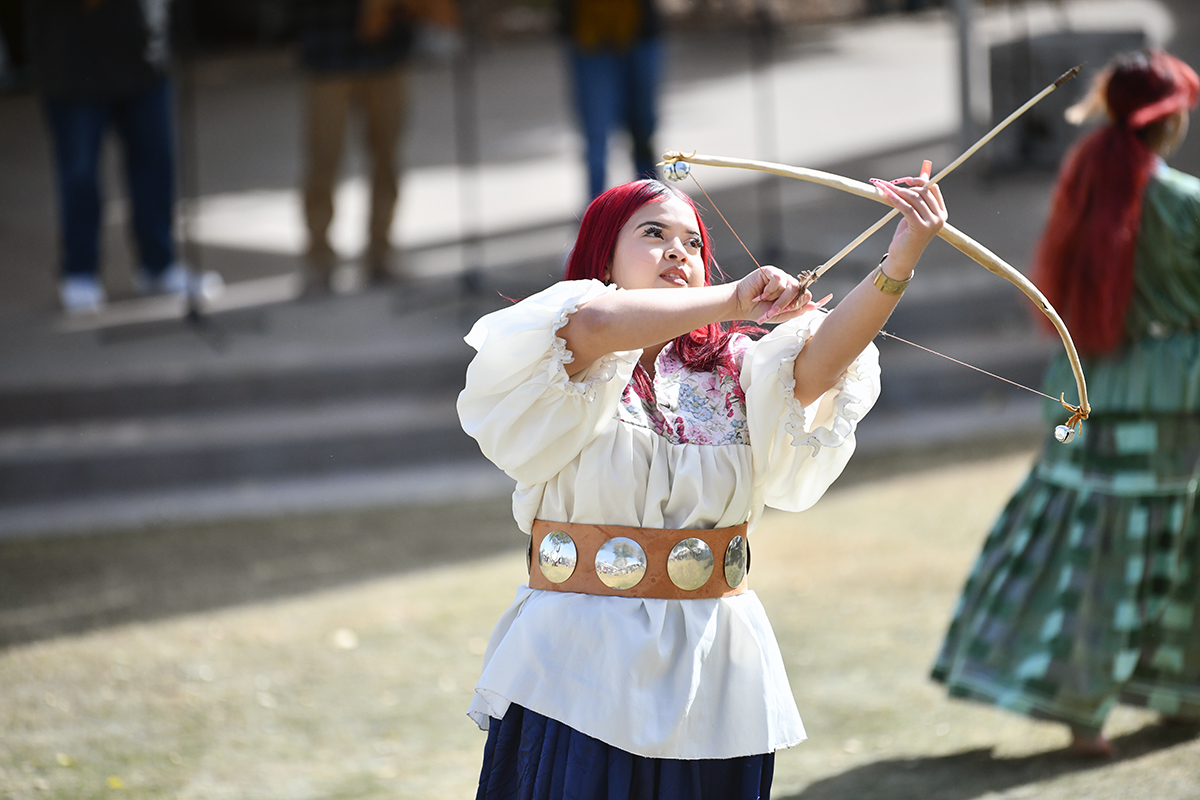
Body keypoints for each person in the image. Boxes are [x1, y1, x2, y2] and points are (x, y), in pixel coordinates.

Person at [458, 167, 946, 797]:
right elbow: (600, 324)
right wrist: (735, 300)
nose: (678, 253)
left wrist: (901, 256)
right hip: (580, 659)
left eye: (693, 244)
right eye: (654, 234)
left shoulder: (742, 366)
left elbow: (826, 359)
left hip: (714, 660)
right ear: (604, 251)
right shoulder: (569, 344)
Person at [932, 50, 1200, 757]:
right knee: (1154, 545)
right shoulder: (1179, 201)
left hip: (1086, 383)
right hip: (1169, 392)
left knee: (1089, 540)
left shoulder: (1087, 178)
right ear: (1169, 120)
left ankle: (1148, 694)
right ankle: (1127, 697)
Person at [26, 0, 190, 314]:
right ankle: (80, 270)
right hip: (72, 63)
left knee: (155, 162)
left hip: (141, 53)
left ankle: (158, 264)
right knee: (80, 173)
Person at [296, 0, 458, 290]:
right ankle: (318, 260)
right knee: (324, 159)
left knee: (387, 159)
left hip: (386, 56)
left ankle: (380, 254)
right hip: (328, 56)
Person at [560, 0, 662, 200]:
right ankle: (595, 215)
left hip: (640, 30)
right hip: (588, 35)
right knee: (596, 136)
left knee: (643, 128)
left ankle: (653, 205)